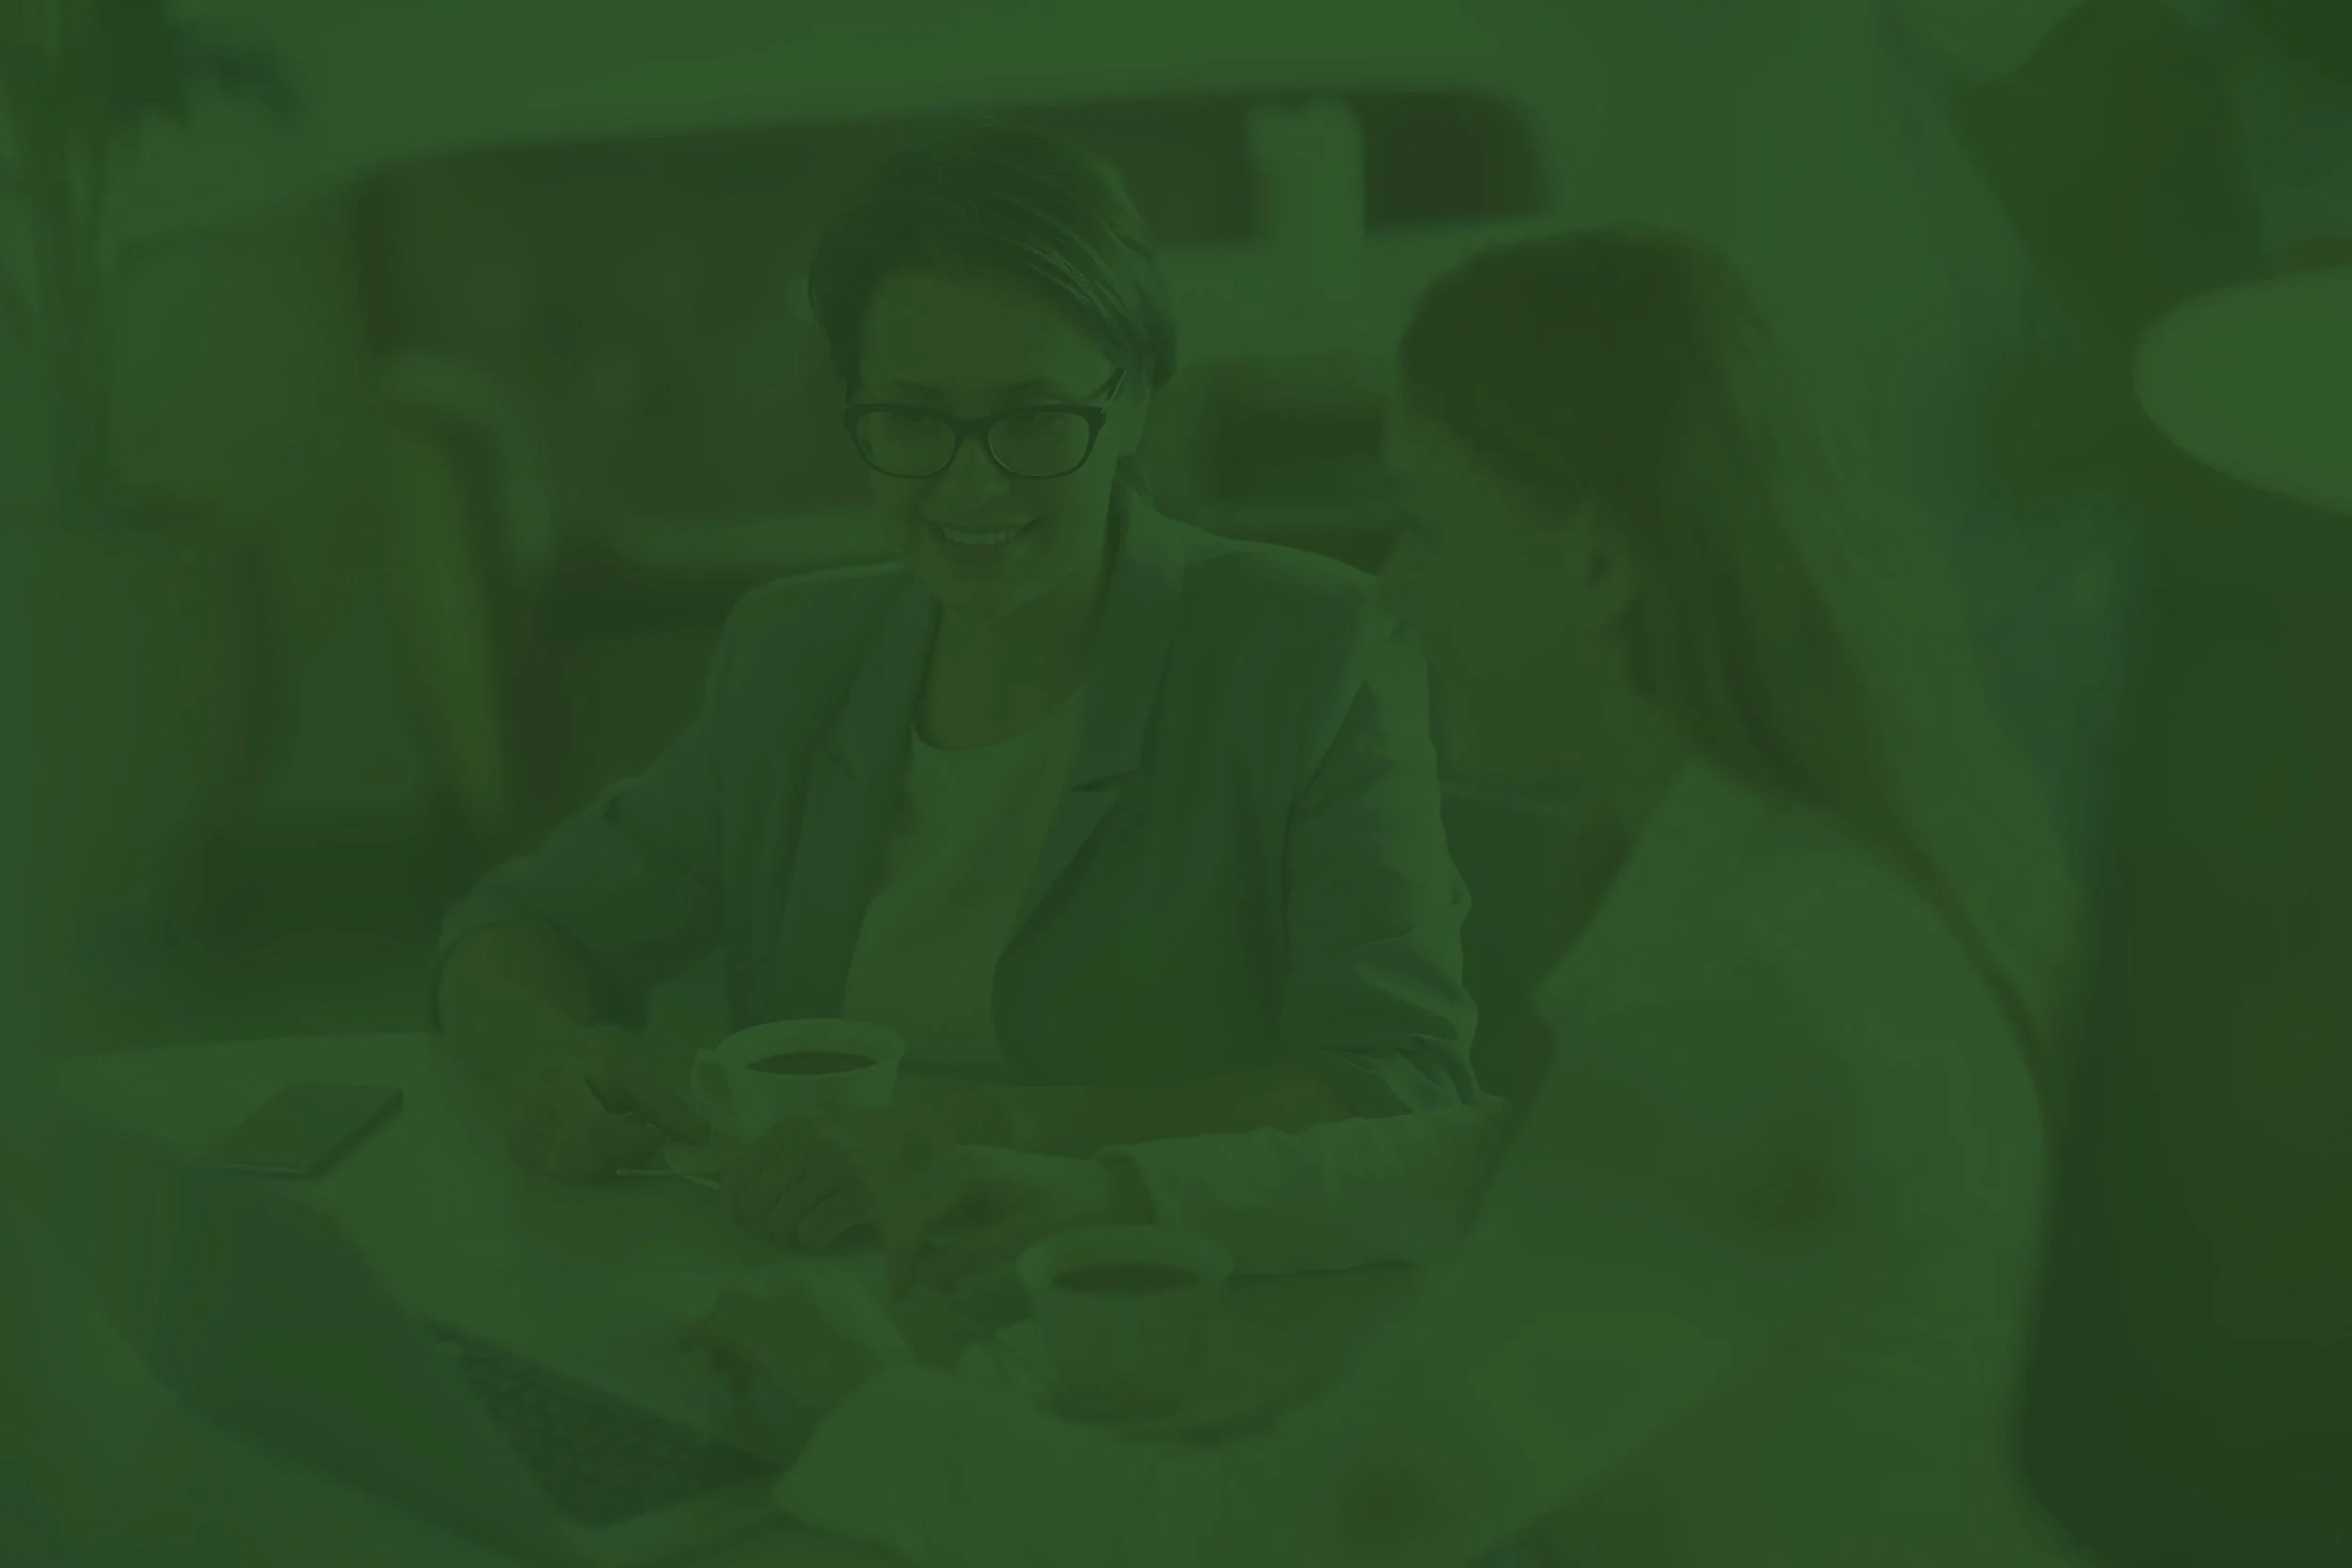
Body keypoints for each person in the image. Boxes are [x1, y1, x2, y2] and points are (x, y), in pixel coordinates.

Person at [685, 226, 2090, 1568]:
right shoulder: (1801, 883)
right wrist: (1118, 1190)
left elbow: (1292, 1539)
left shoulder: (1753, 999)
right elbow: (1511, 1163)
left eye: (1422, 527)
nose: (1394, 593)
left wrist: (869, 1402)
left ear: (1598, 560)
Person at [430, 116, 1477, 1251]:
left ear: (1135, 399)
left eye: (1033, 417)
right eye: (913, 416)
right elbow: (514, 926)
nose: (971, 484)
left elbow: (1401, 1085)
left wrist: (991, 1129)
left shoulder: (1312, 648)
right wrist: (549, 1061)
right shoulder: (794, 653)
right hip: (831, 1299)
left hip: (1159, 1294)